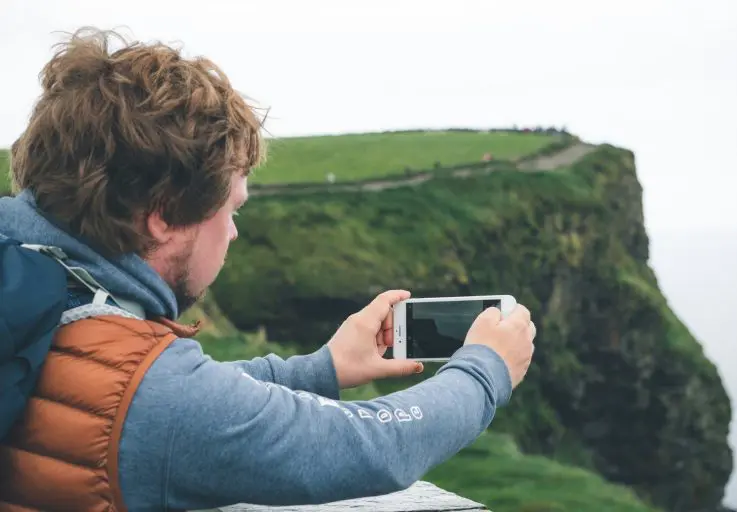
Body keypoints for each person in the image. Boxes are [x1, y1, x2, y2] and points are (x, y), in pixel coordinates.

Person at [0, 28, 536, 512]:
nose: (233, 232)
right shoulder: (156, 399)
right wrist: (485, 370)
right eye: (230, 209)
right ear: (163, 214)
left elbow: (154, 394)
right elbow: (370, 449)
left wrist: (322, 369)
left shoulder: (39, 289)